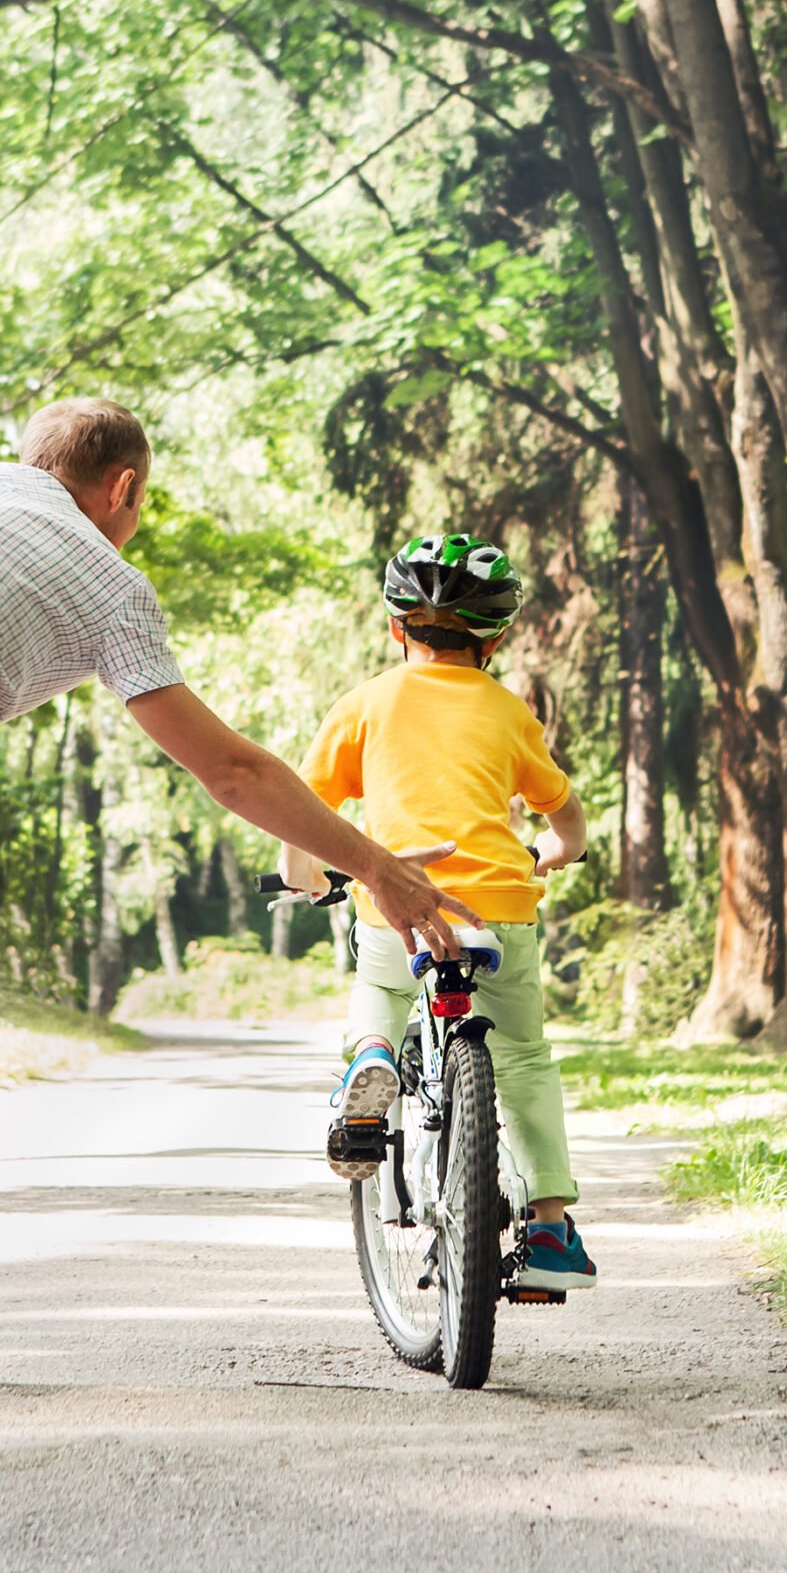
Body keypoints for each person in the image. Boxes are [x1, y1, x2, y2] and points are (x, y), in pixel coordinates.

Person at [0, 398, 478, 1403]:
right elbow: (230, 771)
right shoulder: (106, 575)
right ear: (125, 489)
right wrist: (375, 862)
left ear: (29, 457)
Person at [276, 534, 598, 1293]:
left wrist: (305, 876)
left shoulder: (366, 703)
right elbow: (564, 810)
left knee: (381, 986)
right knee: (520, 1056)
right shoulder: (510, 711)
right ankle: (549, 1228)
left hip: (398, 906)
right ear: (497, 636)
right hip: (501, 913)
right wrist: (560, 848)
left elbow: (303, 811)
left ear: (396, 628)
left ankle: (371, 1057)